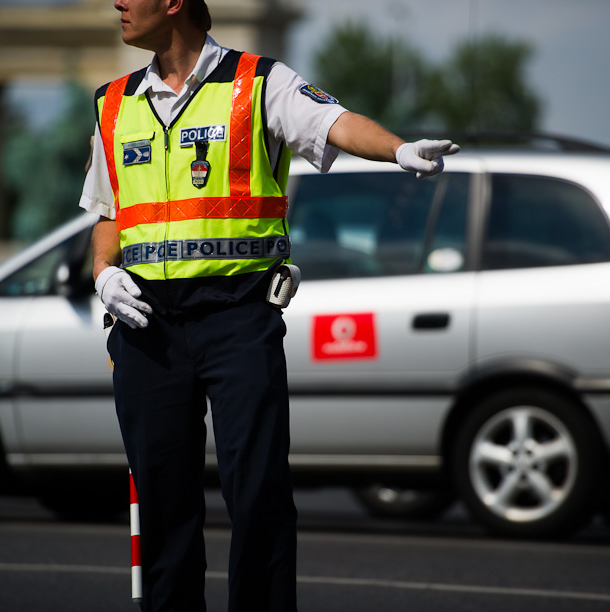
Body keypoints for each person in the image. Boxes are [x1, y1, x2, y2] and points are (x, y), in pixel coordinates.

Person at [80, 1, 459, 610]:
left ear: (174, 1)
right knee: (161, 499)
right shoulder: (113, 102)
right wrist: (104, 275)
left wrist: (398, 150)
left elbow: (334, 122)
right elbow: (108, 211)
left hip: (237, 317)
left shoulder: (258, 82)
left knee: (256, 492)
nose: (117, 3)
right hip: (147, 327)